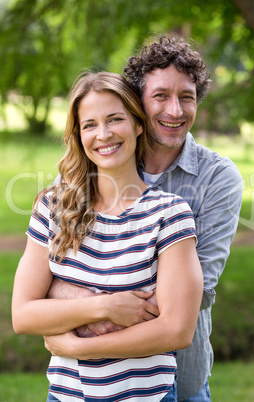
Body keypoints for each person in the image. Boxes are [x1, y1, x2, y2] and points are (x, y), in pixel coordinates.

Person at [48, 34, 243, 401]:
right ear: (137, 103)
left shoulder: (217, 177)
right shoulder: (92, 163)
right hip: (79, 387)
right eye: (160, 96)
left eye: (186, 97)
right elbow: (47, 271)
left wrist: (76, 326)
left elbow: (195, 294)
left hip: (175, 384)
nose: (175, 110)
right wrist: (101, 304)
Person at [12, 71, 204, 402]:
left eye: (115, 119)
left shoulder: (170, 215)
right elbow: (23, 314)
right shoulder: (53, 207)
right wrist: (105, 306)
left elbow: (176, 329)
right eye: (89, 125)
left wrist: (79, 346)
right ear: (79, 134)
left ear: (138, 124)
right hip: (65, 396)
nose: (103, 134)